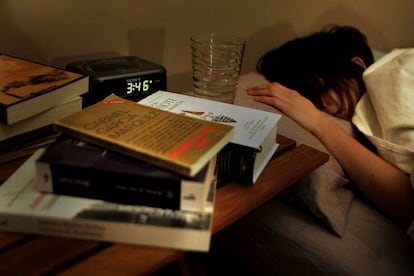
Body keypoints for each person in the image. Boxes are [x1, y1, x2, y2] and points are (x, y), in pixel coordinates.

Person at [246, 25, 414, 239]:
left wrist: (318, 122)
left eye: (321, 84)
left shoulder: (393, 75)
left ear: (358, 65)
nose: (324, 104)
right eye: (310, 98)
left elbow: (409, 207)